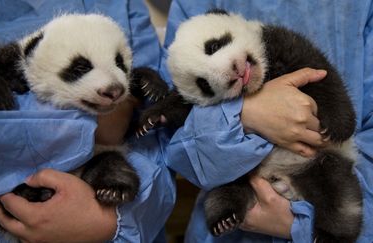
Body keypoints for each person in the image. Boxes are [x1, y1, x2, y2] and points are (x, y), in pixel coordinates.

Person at [0, 0, 175, 242]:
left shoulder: (125, 7)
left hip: (100, 185)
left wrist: (106, 222)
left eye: (118, 64)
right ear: (32, 53)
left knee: (115, 169)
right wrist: (96, 125)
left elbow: (157, 148)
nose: (114, 87)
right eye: (81, 68)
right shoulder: (9, 58)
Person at [160, 0, 373, 242]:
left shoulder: (277, 42)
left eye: (216, 47)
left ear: (224, 18)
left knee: (336, 192)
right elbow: (179, 146)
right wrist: (244, 112)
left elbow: (325, 86)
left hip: (316, 167)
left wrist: (298, 226)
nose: (225, 75)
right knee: (224, 198)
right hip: (245, 196)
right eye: (204, 84)